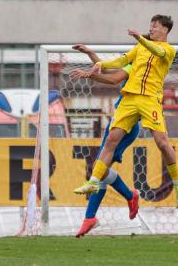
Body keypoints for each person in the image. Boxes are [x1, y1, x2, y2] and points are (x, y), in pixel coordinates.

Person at [71, 15, 178, 207]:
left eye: (155, 26)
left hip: (150, 99)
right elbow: (119, 63)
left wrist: (140, 38)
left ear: (165, 30)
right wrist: (97, 64)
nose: (151, 29)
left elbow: (156, 50)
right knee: (111, 140)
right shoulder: (139, 50)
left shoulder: (168, 50)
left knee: (163, 143)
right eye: (150, 26)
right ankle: (93, 182)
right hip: (130, 99)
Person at [68, 43, 141, 238]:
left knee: (98, 170)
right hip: (118, 119)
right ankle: (128, 196)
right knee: (100, 169)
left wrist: (89, 74)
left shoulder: (140, 66)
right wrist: (91, 54)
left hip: (127, 124)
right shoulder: (134, 63)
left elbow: (114, 78)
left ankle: (90, 217)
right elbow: (108, 68)